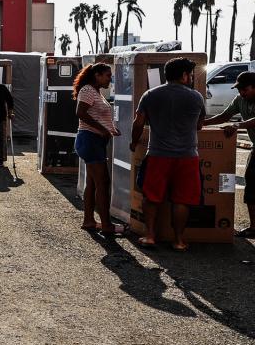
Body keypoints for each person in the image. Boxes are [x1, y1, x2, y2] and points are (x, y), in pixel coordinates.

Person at [129, 57, 205, 251]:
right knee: (182, 199)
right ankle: (179, 240)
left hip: (158, 155)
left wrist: (133, 142)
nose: (190, 78)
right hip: (188, 156)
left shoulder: (150, 95)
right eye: (189, 74)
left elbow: (138, 123)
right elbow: (199, 124)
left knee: (151, 196)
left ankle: (150, 236)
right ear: (183, 75)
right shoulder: (196, 97)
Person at [205, 70, 255, 238]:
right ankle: (254, 227)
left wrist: (237, 126)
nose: (242, 93)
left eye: (245, 89)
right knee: (252, 184)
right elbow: (225, 116)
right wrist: (203, 123)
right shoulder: (240, 99)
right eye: (240, 89)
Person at [73, 62, 120, 236]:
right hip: (90, 139)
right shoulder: (87, 90)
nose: (110, 79)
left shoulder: (96, 92)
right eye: (107, 75)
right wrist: (102, 129)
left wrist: (111, 129)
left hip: (94, 140)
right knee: (103, 182)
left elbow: (97, 115)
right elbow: (81, 113)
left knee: (93, 182)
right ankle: (107, 225)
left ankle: (89, 221)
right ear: (97, 75)